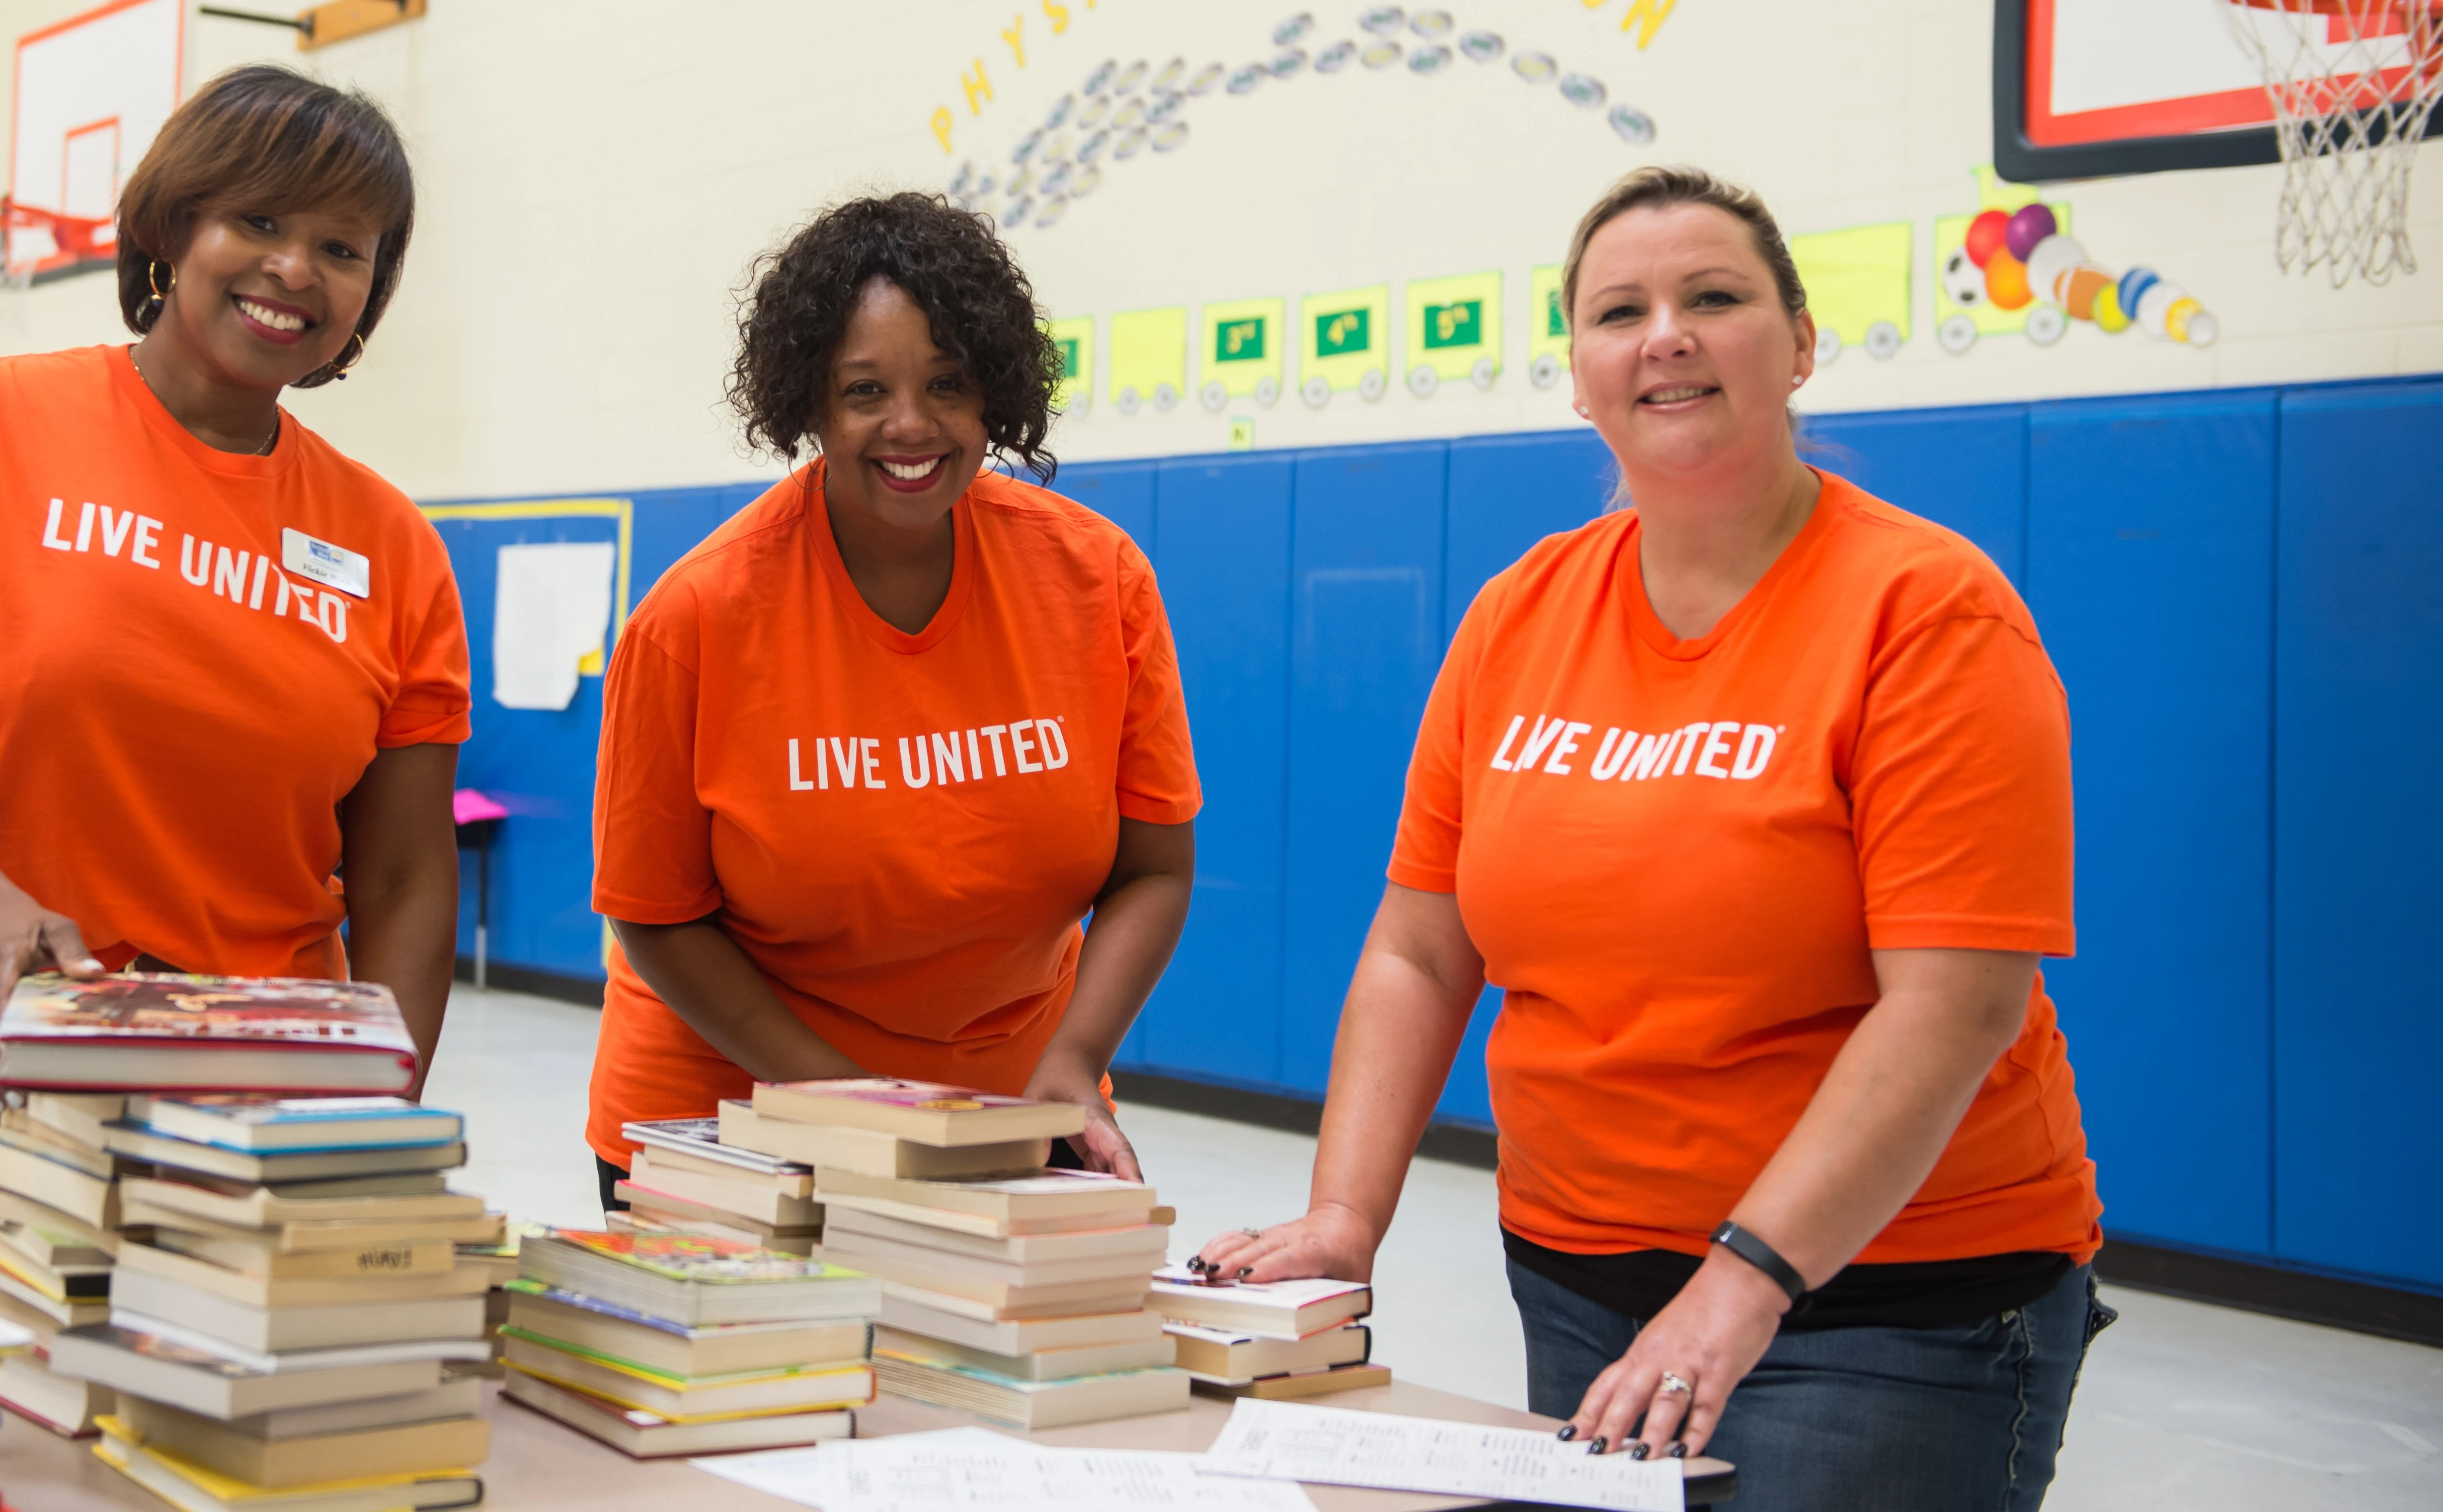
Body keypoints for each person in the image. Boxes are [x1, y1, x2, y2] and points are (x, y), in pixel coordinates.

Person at [1194, 167, 2112, 1511]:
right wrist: (1346, 1215)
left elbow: (1956, 1003)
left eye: (1715, 297)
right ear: (1580, 374)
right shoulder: (1519, 614)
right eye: (1620, 310)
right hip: (1578, 1284)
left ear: (1799, 345)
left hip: (1886, 1309)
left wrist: (1742, 1278)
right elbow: (1417, 946)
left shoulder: (1926, 610)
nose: (1665, 333)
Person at [0, 66, 469, 1296]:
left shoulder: (393, 545)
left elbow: (398, 872)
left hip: (264, 1092)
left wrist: (377, 1106)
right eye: (260, 222)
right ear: (173, 228)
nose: (295, 270)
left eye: (342, 246)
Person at [584, 191, 1199, 1200]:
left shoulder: (1097, 578)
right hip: (734, 1112)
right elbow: (653, 913)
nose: (909, 424)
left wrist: (1075, 1058)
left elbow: (1153, 868)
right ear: (810, 404)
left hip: (1006, 1107)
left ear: (992, 392)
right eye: (864, 389)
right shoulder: (696, 616)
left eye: (946, 384)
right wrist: (846, 1101)